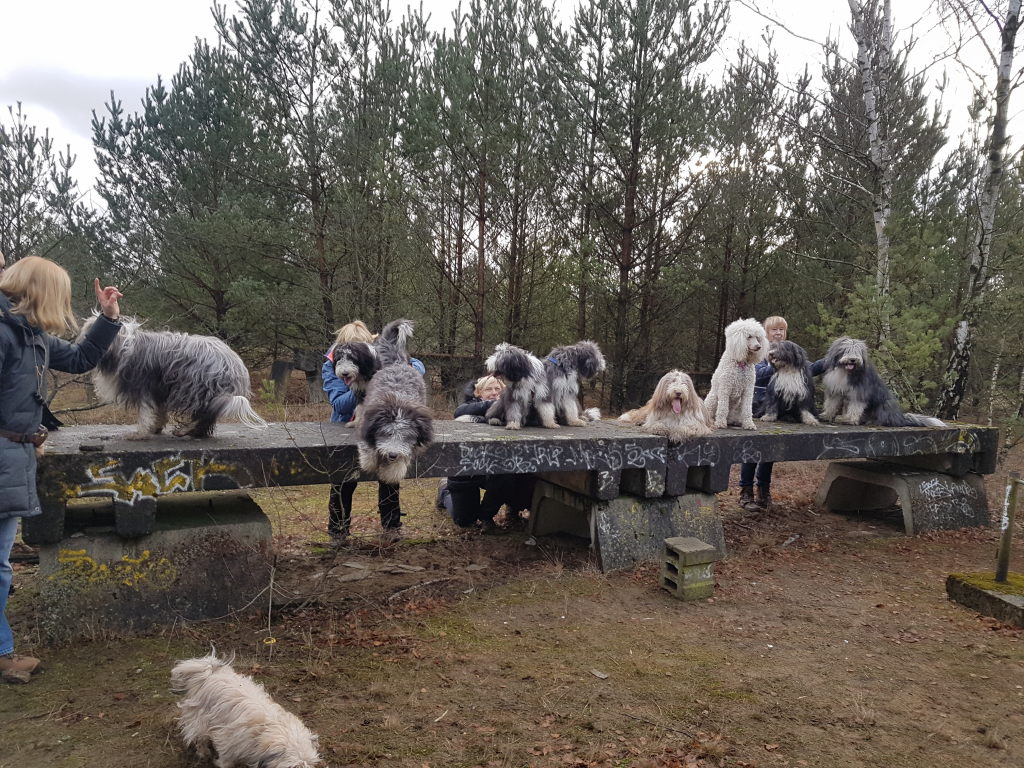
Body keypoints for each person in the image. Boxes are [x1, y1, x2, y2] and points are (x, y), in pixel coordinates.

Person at [0, 254, 123, 681]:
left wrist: (108, 319)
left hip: (13, 458)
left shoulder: (30, 335)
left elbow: (80, 358)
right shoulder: (3, 335)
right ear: (42, 294)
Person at [321, 320, 425, 546]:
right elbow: (339, 404)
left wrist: (394, 374)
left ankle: (392, 526)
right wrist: (365, 385)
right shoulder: (332, 364)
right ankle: (338, 531)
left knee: (390, 476)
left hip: (384, 426)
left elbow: (417, 365)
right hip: (344, 427)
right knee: (343, 480)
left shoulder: (379, 356)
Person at [439, 375, 535, 533]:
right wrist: (497, 404)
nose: (494, 392)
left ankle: (487, 516)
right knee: (465, 520)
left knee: (509, 476)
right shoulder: (470, 406)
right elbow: (459, 413)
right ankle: (444, 491)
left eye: (498, 389)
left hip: (498, 469)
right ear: (478, 393)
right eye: (488, 389)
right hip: (468, 472)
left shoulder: (515, 410)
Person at [739, 315, 788, 511]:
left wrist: (827, 363)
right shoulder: (756, 350)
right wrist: (774, 365)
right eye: (774, 330)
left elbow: (805, 369)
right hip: (755, 408)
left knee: (770, 452)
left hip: (776, 410)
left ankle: (764, 491)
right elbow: (755, 373)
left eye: (781, 330)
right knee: (751, 450)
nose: (778, 333)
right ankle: (745, 492)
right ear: (765, 333)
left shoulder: (788, 351)